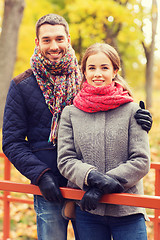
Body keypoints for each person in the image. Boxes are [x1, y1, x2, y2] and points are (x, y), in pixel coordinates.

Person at [2, 14, 151, 240]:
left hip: (89, 187)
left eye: (60, 39)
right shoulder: (22, 85)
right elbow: (11, 142)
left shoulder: (83, 75)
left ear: (68, 39)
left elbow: (111, 97)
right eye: (47, 40)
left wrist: (138, 117)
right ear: (37, 42)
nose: (54, 46)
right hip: (49, 185)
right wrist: (40, 175)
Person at [57, 43, 151, 240]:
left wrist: (101, 187)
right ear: (83, 71)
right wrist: (91, 178)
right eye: (91, 68)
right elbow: (65, 159)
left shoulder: (133, 111)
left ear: (115, 71)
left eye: (104, 67)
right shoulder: (70, 113)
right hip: (88, 211)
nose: (97, 73)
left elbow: (141, 161)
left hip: (127, 209)